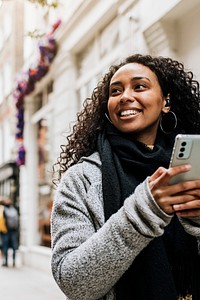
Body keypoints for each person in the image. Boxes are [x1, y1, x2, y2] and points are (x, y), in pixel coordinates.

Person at [51, 54, 200, 300]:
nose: (125, 97)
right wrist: (146, 210)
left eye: (139, 86)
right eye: (115, 91)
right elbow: (73, 282)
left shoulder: (188, 168)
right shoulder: (82, 179)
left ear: (166, 102)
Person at [1, 198, 19, 267]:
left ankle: (5, 262)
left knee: (5, 246)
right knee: (14, 246)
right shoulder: (14, 210)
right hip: (13, 231)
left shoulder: (3, 209)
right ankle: (14, 262)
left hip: (5, 231)